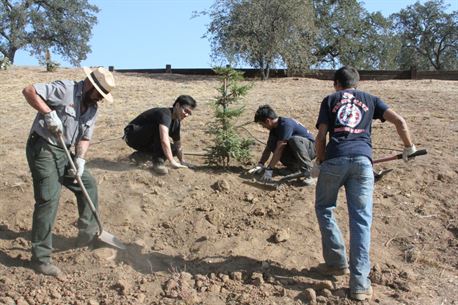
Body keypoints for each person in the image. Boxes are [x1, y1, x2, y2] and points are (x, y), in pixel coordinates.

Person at [314, 66, 416, 301]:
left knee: (324, 208)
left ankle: (336, 263)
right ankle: (360, 284)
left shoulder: (330, 100)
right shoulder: (371, 100)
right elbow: (399, 122)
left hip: (335, 159)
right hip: (362, 163)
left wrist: (320, 161)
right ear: (357, 83)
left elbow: (320, 137)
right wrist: (409, 147)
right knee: (360, 220)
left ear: (336, 83)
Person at [23, 67, 116, 276]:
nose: (100, 99)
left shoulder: (92, 108)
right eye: (99, 94)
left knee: (88, 184)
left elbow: (84, 137)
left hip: (66, 153)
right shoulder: (65, 89)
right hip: (44, 147)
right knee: (49, 199)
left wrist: (80, 159)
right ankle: (41, 259)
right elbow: (29, 90)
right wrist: (48, 114)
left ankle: (88, 233)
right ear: (90, 85)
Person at [123, 95, 197, 175]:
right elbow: (164, 140)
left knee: (174, 149)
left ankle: (138, 157)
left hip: (146, 142)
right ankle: (158, 163)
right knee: (160, 130)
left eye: (189, 113)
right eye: (185, 111)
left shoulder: (176, 123)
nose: (186, 115)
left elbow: (178, 144)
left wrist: (182, 161)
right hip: (132, 136)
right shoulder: (165, 114)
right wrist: (172, 161)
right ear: (177, 105)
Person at [249, 104, 316, 185]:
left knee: (292, 140)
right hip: (299, 149)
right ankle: (294, 168)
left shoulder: (285, 124)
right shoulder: (274, 129)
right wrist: (261, 164)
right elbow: (268, 148)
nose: (263, 127)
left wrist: (270, 169)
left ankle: (309, 173)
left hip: (310, 149)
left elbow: (280, 147)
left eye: (261, 124)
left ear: (268, 121)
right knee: (273, 143)